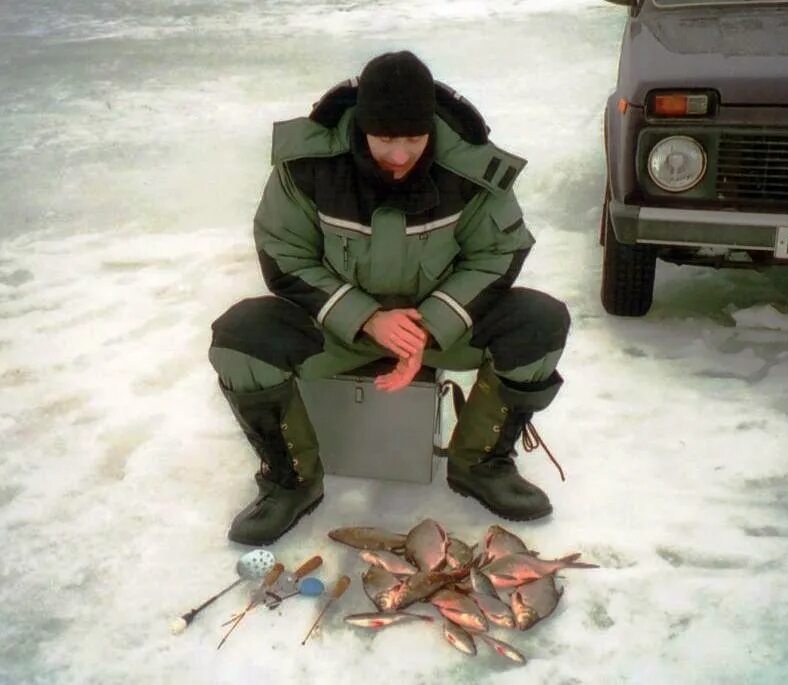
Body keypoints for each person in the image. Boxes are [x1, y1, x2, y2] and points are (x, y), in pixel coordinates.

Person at [209, 51, 571, 546]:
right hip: (337, 329)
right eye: (384, 139)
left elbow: (497, 254)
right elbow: (283, 254)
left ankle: (481, 465)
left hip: (441, 331)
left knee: (539, 322)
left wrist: (428, 325)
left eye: (414, 139)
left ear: (432, 130)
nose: (399, 156)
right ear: (361, 126)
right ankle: (289, 479)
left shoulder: (472, 171)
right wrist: (366, 318)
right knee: (241, 338)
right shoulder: (306, 167)